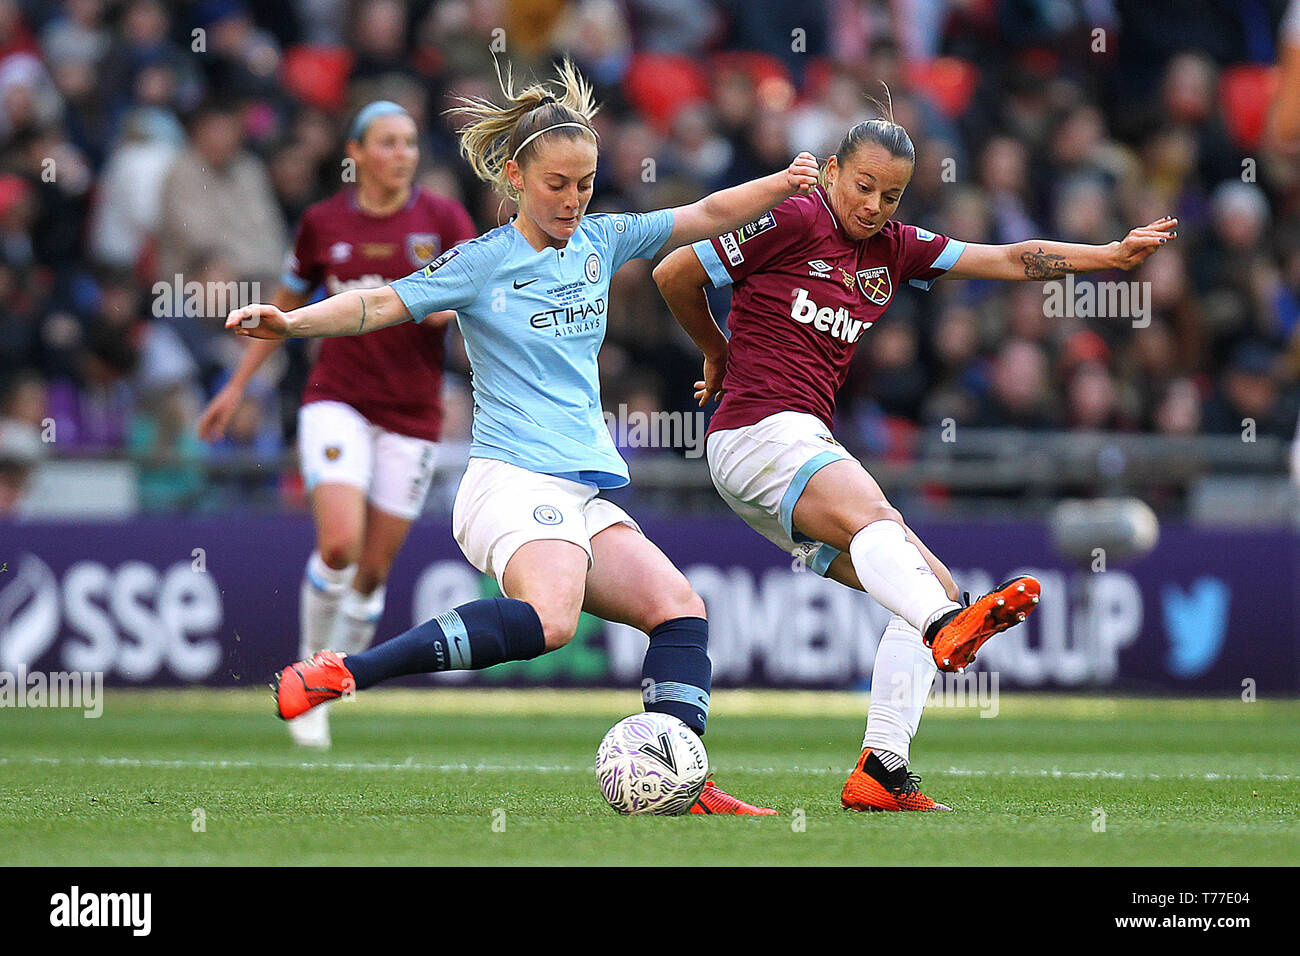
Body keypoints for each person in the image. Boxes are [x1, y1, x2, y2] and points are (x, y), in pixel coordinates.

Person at [225, 59, 821, 814]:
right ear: (515, 177)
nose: (573, 200)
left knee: (680, 609)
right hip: (510, 482)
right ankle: (345, 671)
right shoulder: (482, 262)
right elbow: (380, 304)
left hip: (579, 489)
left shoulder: (601, 240)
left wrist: (784, 182)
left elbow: (704, 213)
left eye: (585, 184)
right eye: (556, 185)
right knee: (552, 620)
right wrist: (291, 322)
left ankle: (683, 774)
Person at [653, 114, 1177, 811]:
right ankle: (942, 628)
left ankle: (883, 765)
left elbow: (1010, 259)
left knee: (929, 584)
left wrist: (1108, 256)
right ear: (832, 172)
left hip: (789, 450)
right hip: (758, 431)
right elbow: (674, 273)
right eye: (863, 186)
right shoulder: (797, 219)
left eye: (891, 195)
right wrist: (717, 351)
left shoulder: (895, 249)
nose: (874, 205)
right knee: (887, 534)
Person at [198, 101, 477, 748]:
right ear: (356, 152)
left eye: (409, 142)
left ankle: (329, 679)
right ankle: (305, 677)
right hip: (337, 398)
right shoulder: (323, 224)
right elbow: (284, 307)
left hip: (413, 412)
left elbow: (479, 291)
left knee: (372, 573)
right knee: (340, 546)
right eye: (388, 142)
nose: (403, 154)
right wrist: (239, 384)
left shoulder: (443, 220)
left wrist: (453, 308)